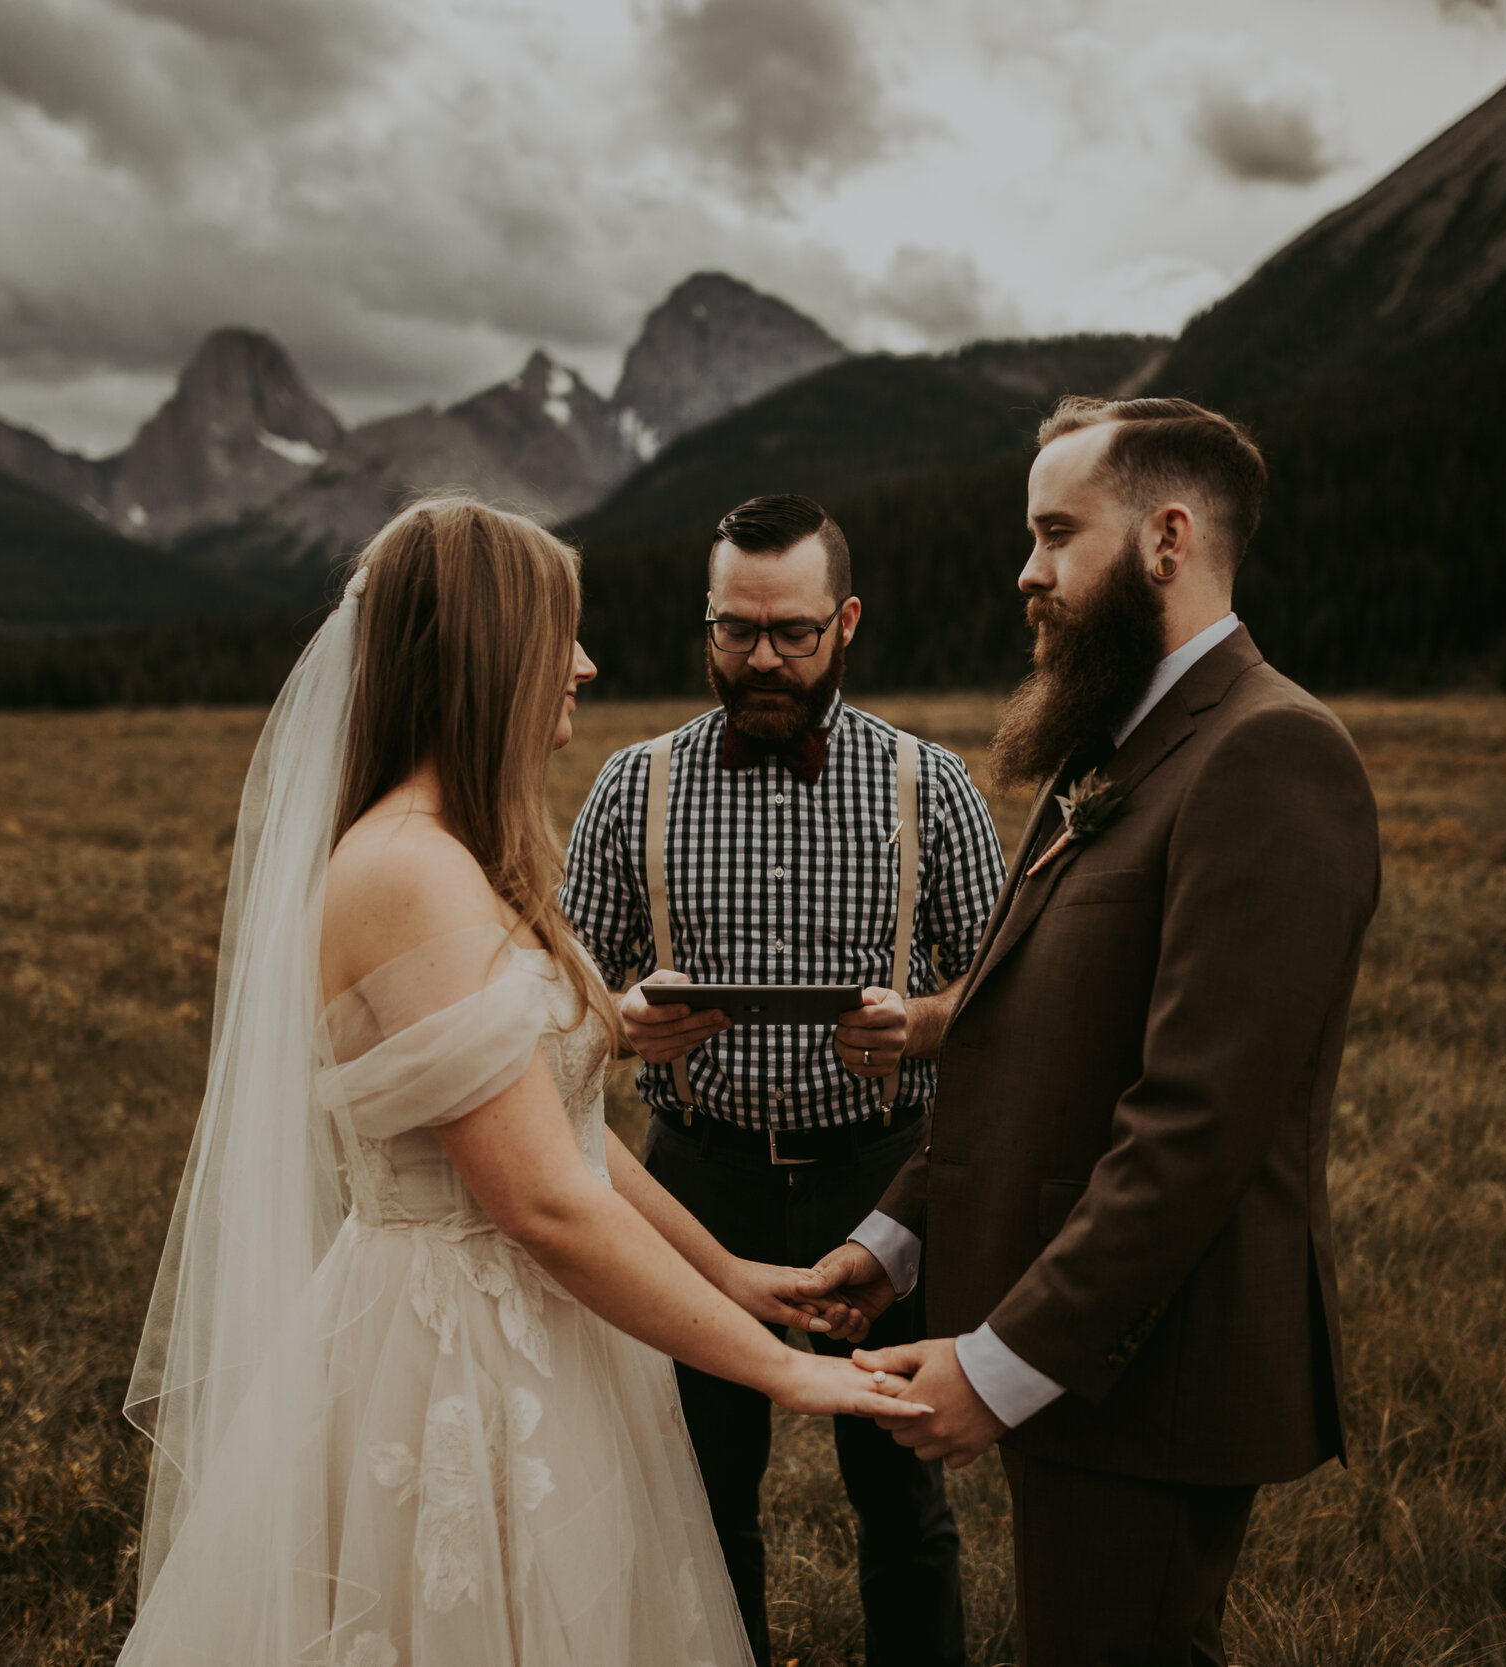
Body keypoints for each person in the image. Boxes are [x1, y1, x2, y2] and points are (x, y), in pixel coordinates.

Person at [117, 497, 925, 1667]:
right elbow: (544, 1200)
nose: (586, 664)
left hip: (539, 1338)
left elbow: (573, 1136)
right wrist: (786, 1377)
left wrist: (733, 1271)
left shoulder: (469, 853)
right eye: (563, 633)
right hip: (449, 1364)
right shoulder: (404, 869)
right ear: (488, 652)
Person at [802, 398, 1384, 1666]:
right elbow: (1029, 1040)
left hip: (1153, 1377)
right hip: (1088, 1364)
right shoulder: (1108, 743)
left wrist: (1004, 1361)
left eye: (1056, 532)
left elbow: (1193, 1125)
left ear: (1167, 538)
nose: (1027, 570)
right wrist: (904, 1235)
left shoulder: (1270, 751)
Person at [560, 494, 1004, 1667]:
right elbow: (546, 1011)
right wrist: (623, 1028)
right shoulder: (629, 787)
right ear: (705, 622)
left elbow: (1010, 1001)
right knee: (696, 1497)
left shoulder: (931, 785)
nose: (761, 657)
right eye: (735, 629)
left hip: (885, 1176)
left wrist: (919, 1026)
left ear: (845, 622)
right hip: (691, 1179)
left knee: (904, 1502)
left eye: (792, 632)